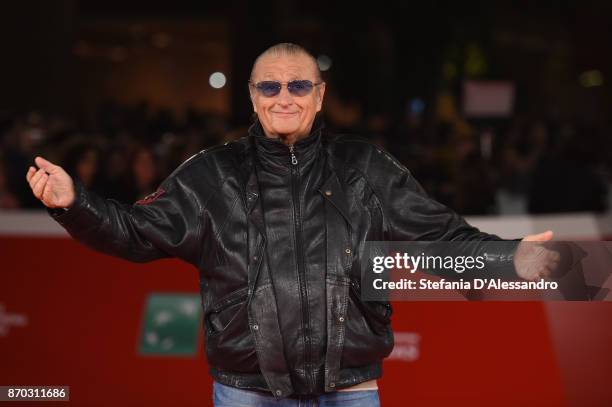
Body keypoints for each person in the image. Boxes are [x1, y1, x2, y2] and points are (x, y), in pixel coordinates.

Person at [26, 43, 554, 407]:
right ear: (253, 97)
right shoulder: (211, 174)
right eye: (270, 86)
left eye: (299, 84)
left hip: (349, 388)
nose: (285, 96)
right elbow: (135, 233)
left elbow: (441, 239)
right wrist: (74, 204)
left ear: (320, 96)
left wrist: (507, 260)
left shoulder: (366, 167)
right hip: (247, 390)